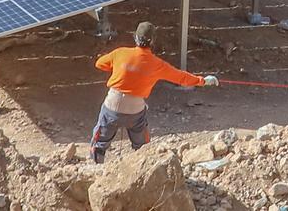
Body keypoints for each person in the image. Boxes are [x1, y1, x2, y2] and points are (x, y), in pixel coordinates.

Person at [90, 21, 218, 163]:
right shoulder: (157, 64)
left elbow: (99, 63)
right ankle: (141, 170)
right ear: (153, 42)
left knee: (99, 142)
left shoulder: (120, 53)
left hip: (112, 107)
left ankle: (97, 167)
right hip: (135, 111)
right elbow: (181, 77)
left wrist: (120, 68)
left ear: (135, 37)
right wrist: (203, 81)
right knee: (142, 146)